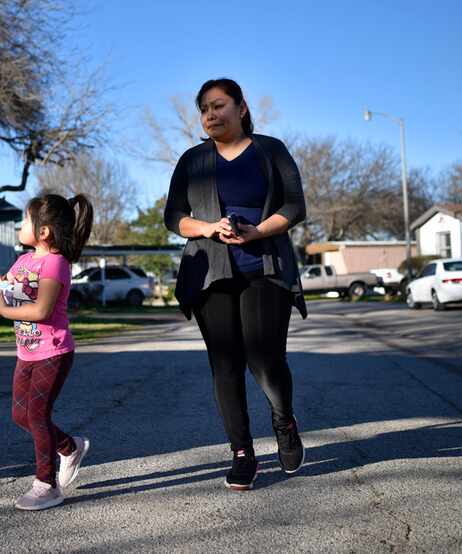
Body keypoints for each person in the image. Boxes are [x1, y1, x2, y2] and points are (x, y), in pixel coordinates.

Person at [164, 78, 307, 491]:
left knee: (264, 357)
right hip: (210, 270)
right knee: (224, 363)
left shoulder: (270, 149)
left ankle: (283, 419)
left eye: (219, 105)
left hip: (264, 265)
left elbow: (295, 205)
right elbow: (173, 216)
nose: (211, 114)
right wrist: (208, 228)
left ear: (241, 108)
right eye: (204, 108)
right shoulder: (192, 160)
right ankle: (242, 452)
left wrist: (257, 231)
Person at [0, 194, 93, 510]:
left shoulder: (56, 263)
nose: (20, 225)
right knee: (21, 415)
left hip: (54, 352)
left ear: (44, 231)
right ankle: (70, 447)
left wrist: (5, 312)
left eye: (25, 221)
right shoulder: (24, 261)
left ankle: (46, 485)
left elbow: (43, 310)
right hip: (27, 353)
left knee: (37, 414)